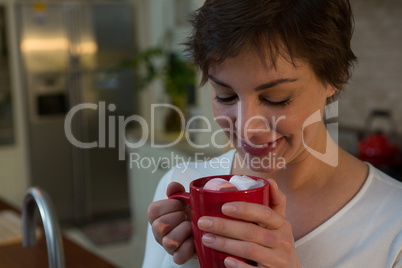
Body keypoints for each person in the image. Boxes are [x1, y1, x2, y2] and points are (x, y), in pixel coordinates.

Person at [143, 0, 402, 267]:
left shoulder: (394, 227)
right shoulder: (181, 189)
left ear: (333, 77)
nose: (246, 129)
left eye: (276, 99)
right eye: (226, 95)